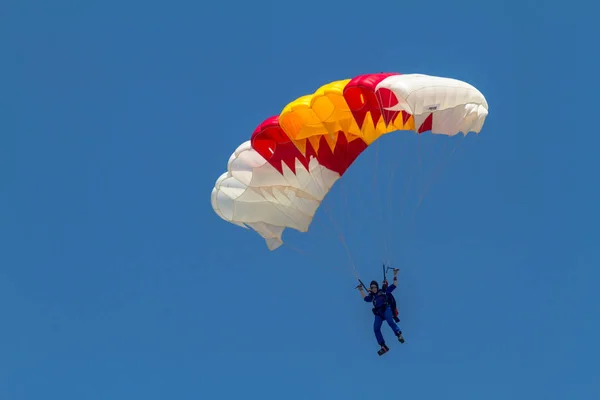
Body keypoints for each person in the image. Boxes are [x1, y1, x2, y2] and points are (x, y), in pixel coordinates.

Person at [358, 268, 404, 355]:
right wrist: (360, 289)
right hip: (379, 314)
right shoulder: (372, 297)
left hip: (386, 309)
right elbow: (365, 298)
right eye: (372, 287)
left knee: (390, 321)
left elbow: (394, 285)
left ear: (377, 287)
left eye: (374, 287)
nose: (373, 288)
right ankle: (383, 346)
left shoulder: (383, 291)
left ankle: (398, 334)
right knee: (376, 328)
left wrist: (395, 275)